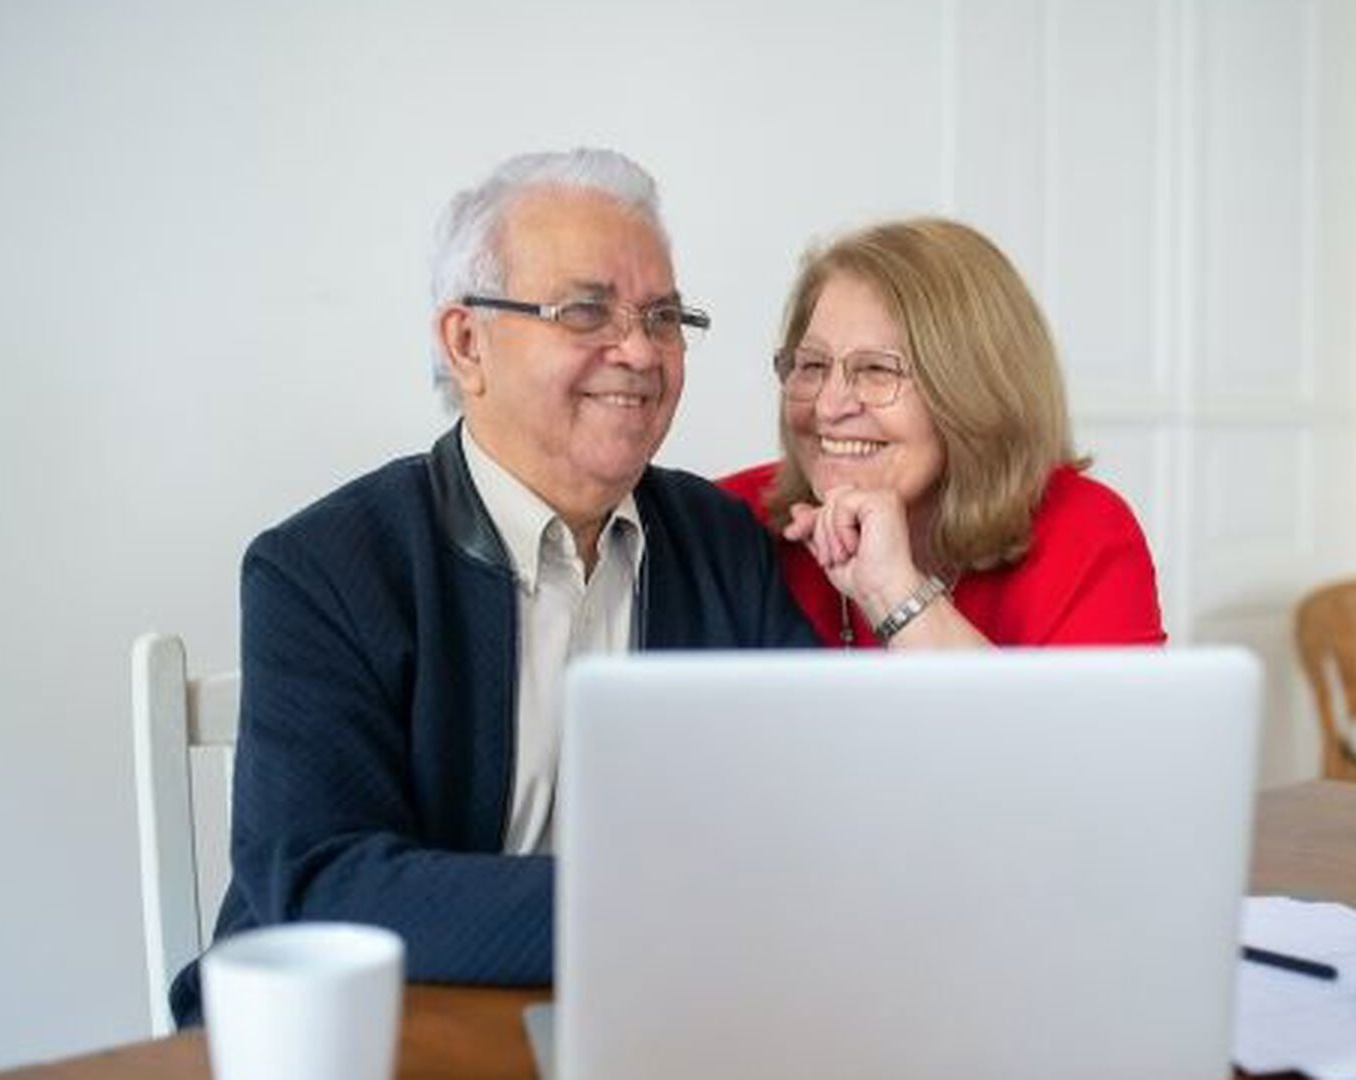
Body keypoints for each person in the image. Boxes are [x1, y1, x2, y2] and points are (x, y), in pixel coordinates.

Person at [170, 148, 815, 1027]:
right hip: (371, 1033)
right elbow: (323, 883)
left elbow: (819, 809)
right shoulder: (321, 569)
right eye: (586, 310)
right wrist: (652, 911)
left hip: (645, 1019)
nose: (639, 351)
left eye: (663, 317)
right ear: (467, 343)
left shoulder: (720, 544)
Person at [720, 217, 1165, 649]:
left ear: (974, 392)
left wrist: (894, 592)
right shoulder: (723, 525)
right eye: (812, 366)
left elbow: (1089, 728)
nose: (828, 406)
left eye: (876, 369)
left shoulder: (1083, 535)